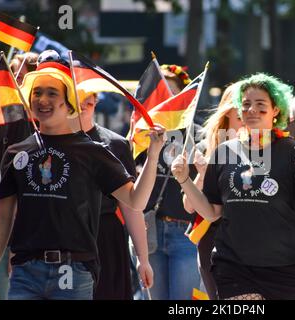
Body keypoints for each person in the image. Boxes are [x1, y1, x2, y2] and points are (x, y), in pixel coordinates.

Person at [0, 51, 164, 300]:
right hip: (24, 273)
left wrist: (154, 154)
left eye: (53, 93)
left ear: (69, 102)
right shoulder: (16, 153)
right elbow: (3, 216)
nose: (43, 100)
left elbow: (135, 201)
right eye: (37, 92)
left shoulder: (92, 152)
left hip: (74, 273)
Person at [172, 73, 295, 300]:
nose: (252, 110)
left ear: (276, 110)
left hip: (285, 270)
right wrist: (184, 180)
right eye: (246, 105)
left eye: (260, 105)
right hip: (234, 268)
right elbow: (211, 212)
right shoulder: (223, 152)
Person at [72, 92, 153, 299]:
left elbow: (131, 206)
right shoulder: (49, 143)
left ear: (95, 100)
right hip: (66, 236)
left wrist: (143, 258)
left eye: (88, 99)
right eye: (76, 97)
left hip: (105, 238)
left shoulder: (115, 144)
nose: (83, 104)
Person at [134, 64, 200, 300]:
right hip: (148, 231)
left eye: (171, 96)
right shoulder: (142, 135)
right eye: (160, 97)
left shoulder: (198, 135)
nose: (165, 103)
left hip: (185, 234)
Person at [183, 83, 243, 299]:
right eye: (239, 118)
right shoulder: (205, 150)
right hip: (213, 242)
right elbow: (189, 206)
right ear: (226, 118)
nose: (245, 124)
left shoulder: (265, 152)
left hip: (252, 241)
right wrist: (202, 174)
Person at [0, 52, 38, 300]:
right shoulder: (0, 117)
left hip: (20, 226)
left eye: (23, 75)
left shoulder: (45, 126)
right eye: (13, 74)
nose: (16, 80)